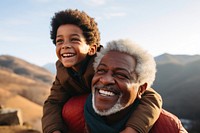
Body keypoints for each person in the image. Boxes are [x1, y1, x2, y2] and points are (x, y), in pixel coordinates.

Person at [42, 9, 162, 133]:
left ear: (92, 48)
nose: (65, 45)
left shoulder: (106, 65)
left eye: (74, 39)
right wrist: (54, 130)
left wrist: (133, 129)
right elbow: (53, 102)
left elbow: (151, 96)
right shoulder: (63, 72)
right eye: (59, 41)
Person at [83, 39, 188, 133]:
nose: (105, 80)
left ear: (141, 89)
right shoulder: (71, 114)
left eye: (121, 75)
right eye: (101, 70)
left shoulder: (169, 127)